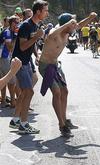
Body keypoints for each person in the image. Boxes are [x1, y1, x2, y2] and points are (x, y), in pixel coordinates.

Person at [38, 12, 97, 137]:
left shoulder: (68, 31)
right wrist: (66, 24)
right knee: (57, 91)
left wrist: (90, 17)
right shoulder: (55, 32)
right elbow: (50, 35)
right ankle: (61, 125)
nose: (75, 26)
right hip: (45, 66)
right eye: (72, 24)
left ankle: (64, 119)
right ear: (66, 25)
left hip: (55, 65)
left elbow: (80, 25)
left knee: (64, 91)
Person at [9, 0, 49, 135]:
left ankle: (15, 120)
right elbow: (22, 46)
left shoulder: (34, 25)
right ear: (38, 11)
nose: (47, 13)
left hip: (25, 62)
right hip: (19, 63)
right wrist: (37, 37)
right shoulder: (26, 25)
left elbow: (31, 46)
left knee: (25, 92)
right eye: (45, 10)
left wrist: (37, 55)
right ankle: (24, 124)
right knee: (29, 92)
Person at [0, 16, 19, 108]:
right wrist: (15, 36)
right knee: (11, 80)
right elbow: (10, 47)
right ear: (11, 23)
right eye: (16, 22)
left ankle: (4, 101)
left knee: (4, 79)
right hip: (4, 58)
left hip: (4, 58)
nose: (17, 24)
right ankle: (12, 102)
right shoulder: (8, 32)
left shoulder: (9, 31)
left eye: (18, 22)